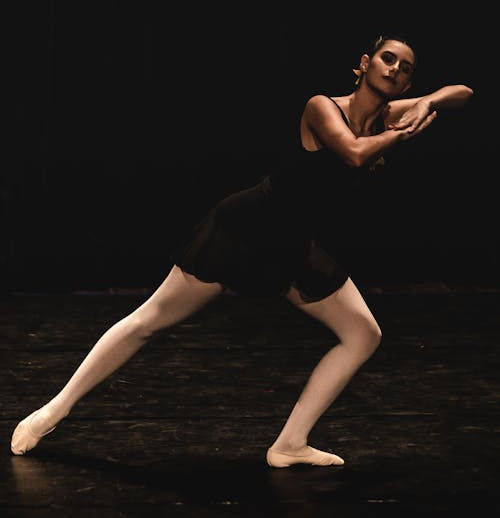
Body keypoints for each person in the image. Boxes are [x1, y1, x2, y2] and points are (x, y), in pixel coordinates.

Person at [10, 33, 473, 467]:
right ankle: (52, 412)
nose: (395, 68)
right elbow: (353, 152)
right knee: (148, 322)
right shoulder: (323, 107)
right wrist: (403, 132)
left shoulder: (394, 113)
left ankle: (290, 444)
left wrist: (430, 100)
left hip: (292, 244)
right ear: (364, 65)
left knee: (363, 335)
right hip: (246, 228)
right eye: (388, 58)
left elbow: (464, 91)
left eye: (406, 68)